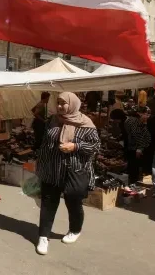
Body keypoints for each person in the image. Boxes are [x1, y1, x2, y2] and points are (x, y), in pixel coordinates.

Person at [36, 92, 99, 256]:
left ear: (73, 104)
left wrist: (76, 146)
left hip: (75, 170)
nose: (59, 106)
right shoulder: (52, 120)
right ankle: (43, 236)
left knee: (73, 201)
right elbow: (45, 143)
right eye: (57, 102)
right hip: (52, 169)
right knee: (48, 202)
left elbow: (95, 147)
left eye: (63, 103)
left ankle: (75, 230)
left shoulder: (86, 124)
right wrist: (40, 166)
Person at [110, 108, 150, 185]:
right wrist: (119, 138)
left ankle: (134, 183)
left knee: (134, 166)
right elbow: (126, 133)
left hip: (136, 146)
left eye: (114, 119)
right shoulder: (122, 123)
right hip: (130, 146)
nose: (114, 121)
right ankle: (131, 181)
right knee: (131, 165)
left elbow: (139, 136)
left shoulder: (130, 122)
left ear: (118, 118)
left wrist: (139, 149)